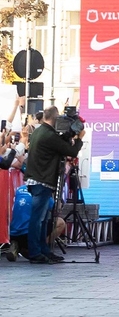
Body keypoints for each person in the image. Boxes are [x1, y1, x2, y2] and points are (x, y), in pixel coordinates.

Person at [24, 106, 84, 264]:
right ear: (56, 118)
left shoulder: (39, 131)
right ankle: (35, 253)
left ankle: (43, 250)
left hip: (38, 180)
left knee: (44, 220)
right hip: (41, 181)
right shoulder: (49, 135)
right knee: (38, 220)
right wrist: (79, 138)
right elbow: (70, 151)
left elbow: (58, 143)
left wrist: (69, 134)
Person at [6, 184, 66, 262]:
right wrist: (58, 203)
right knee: (60, 222)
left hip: (13, 233)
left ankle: (18, 245)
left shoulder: (19, 190)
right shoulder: (43, 192)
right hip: (29, 235)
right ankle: (38, 249)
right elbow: (56, 211)